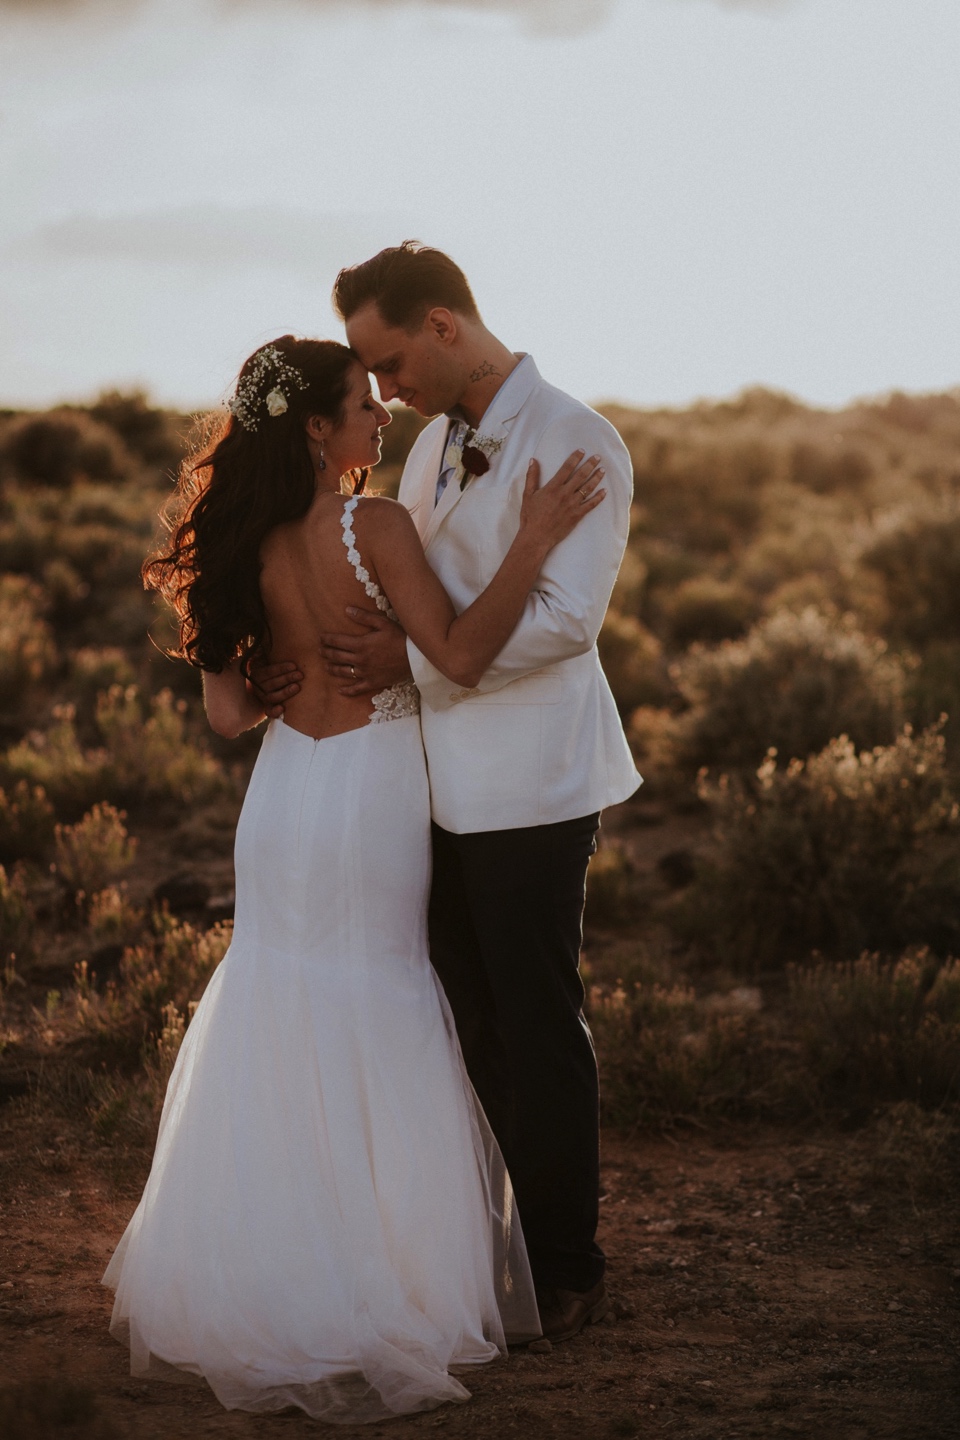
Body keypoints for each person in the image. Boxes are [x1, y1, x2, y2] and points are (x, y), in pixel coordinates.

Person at [103, 335, 606, 1423]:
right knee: (381, 1002)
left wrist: (279, 681)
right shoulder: (372, 525)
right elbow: (463, 655)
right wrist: (537, 539)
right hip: (375, 790)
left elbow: (232, 713)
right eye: (360, 408)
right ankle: (384, 1280)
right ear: (321, 430)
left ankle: (272, 1269)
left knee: (280, 1004)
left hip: (285, 800)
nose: (382, 418)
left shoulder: (238, 540)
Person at [256, 244, 642, 1342]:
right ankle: (485, 1256)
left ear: (440, 324)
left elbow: (569, 622)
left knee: (535, 1020)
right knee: (464, 1026)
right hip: (423, 784)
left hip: (530, 782)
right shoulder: (427, 448)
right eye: (366, 378)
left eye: (387, 362)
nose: (381, 391)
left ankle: (567, 1265)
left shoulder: (578, 437)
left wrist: (412, 666)